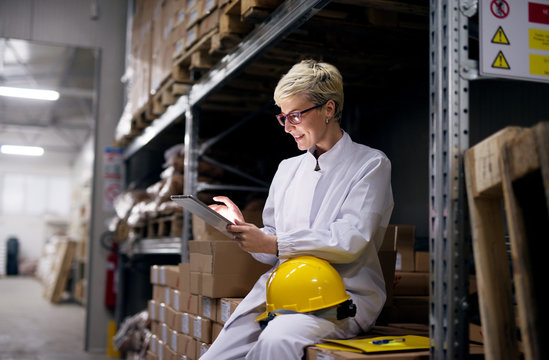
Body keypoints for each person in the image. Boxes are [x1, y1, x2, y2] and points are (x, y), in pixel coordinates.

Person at [201, 59, 394, 360]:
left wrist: (276, 243)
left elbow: (351, 240)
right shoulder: (287, 169)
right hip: (283, 290)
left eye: (295, 115)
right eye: (282, 117)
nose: (288, 127)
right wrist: (248, 233)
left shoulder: (370, 164)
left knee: (277, 340)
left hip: (340, 295)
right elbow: (273, 247)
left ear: (329, 109)